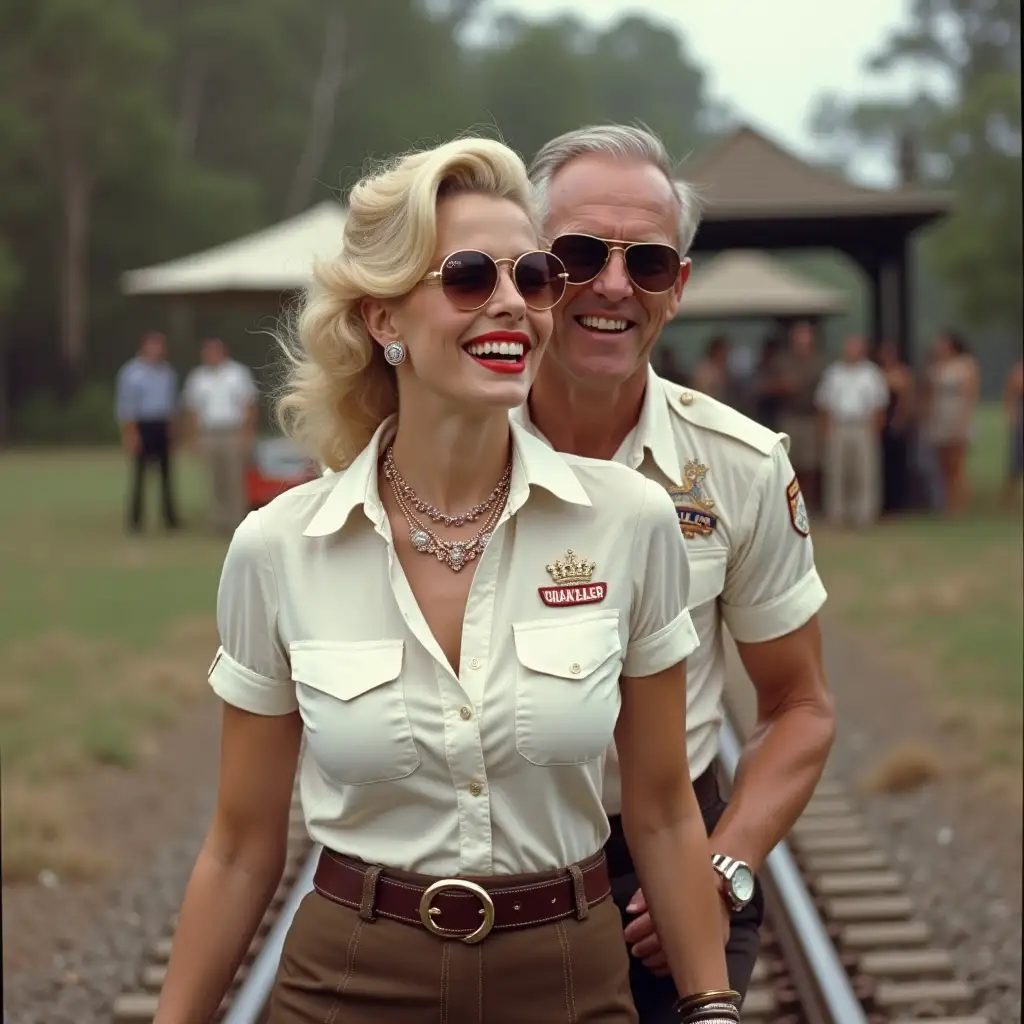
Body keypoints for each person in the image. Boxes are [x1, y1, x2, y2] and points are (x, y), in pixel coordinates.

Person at [153, 138, 739, 1024]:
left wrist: (712, 1006)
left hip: (570, 985)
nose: (512, 303)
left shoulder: (630, 522)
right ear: (385, 320)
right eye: (469, 277)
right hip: (347, 984)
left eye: (533, 277)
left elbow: (660, 813)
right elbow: (240, 848)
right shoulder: (278, 547)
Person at [522, 124, 834, 1018]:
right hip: (490, 855)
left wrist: (720, 862)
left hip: (662, 858)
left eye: (649, 263)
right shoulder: (451, 445)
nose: (614, 286)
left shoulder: (739, 465)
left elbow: (800, 706)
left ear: (679, 287)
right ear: (532, 267)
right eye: (581, 254)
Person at [182, 338, 259, 532]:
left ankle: (236, 520)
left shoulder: (237, 374)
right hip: (209, 432)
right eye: (208, 352)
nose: (211, 355)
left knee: (234, 477)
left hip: (232, 431)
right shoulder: (197, 377)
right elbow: (192, 409)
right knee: (214, 477)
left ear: (223, 352)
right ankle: (218, 520)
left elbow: (249, 405)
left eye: (215, 351)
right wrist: (194, 437)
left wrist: (247, 433)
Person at [815, 334, 889, 528]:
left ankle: (864, 513)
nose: (852, 351)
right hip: (839, 425)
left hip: (862, 426)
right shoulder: (834, 373)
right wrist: (826, 430)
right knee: (837, 471)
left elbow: (879, 405)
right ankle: (837, 513)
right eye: (849, 347)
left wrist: (874, 430)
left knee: (864, 471)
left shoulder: (871, 374)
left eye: (856, 347)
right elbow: (824, 404)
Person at [114, 331, 180, 533]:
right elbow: (125, 406)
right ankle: (135, 521)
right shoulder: (131, 372)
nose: (158, 350)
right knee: (140, 475)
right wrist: (130, 434)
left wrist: (173, 431)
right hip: (142, 424)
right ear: (144, 347)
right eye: (154, 345)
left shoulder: (167, 372)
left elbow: (171, 404)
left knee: (167, 476)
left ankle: (170, 519)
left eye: (160, 346)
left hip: (163, 424)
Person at [921, 329, 979, 516]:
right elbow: (929, 392)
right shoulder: (937, 366)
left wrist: (964, 419)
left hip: (957, 414)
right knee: (944, 465)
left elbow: (971, 393)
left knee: (957, 465)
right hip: (939, 415)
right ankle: (948, 504)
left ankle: (960, 505)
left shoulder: (966, 365)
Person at [777, 321, 824, 512]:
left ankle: (809, 505)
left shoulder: (818, 363)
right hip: (789, 417)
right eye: (799, 338)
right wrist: (783, 386)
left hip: (810, 417)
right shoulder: (783, 362)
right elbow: (767, 385)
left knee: (811, 464)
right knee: (789, 464)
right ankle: (790, 507)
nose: (802, 342)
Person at [875, 340, 916, 515]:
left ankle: (897, 505)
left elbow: (907, 400)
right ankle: (882, 503)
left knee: (897, 465)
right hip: (879, 423)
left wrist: (901, 420)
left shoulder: (902, 374)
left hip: (895, 422)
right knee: (881, 465)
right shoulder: (875, 373)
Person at [1002, 358, 1023, 510]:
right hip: (1021, 425)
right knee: (1016, 463)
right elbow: (1010, 393)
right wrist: (1012, 416)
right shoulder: (1019, 370)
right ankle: (1008, 501)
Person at [691, 334, 732, 405]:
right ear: (715, 351)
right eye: (723, 352)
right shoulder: (704, 371)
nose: (726, 355)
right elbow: (703, 395)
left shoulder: (723, 370)